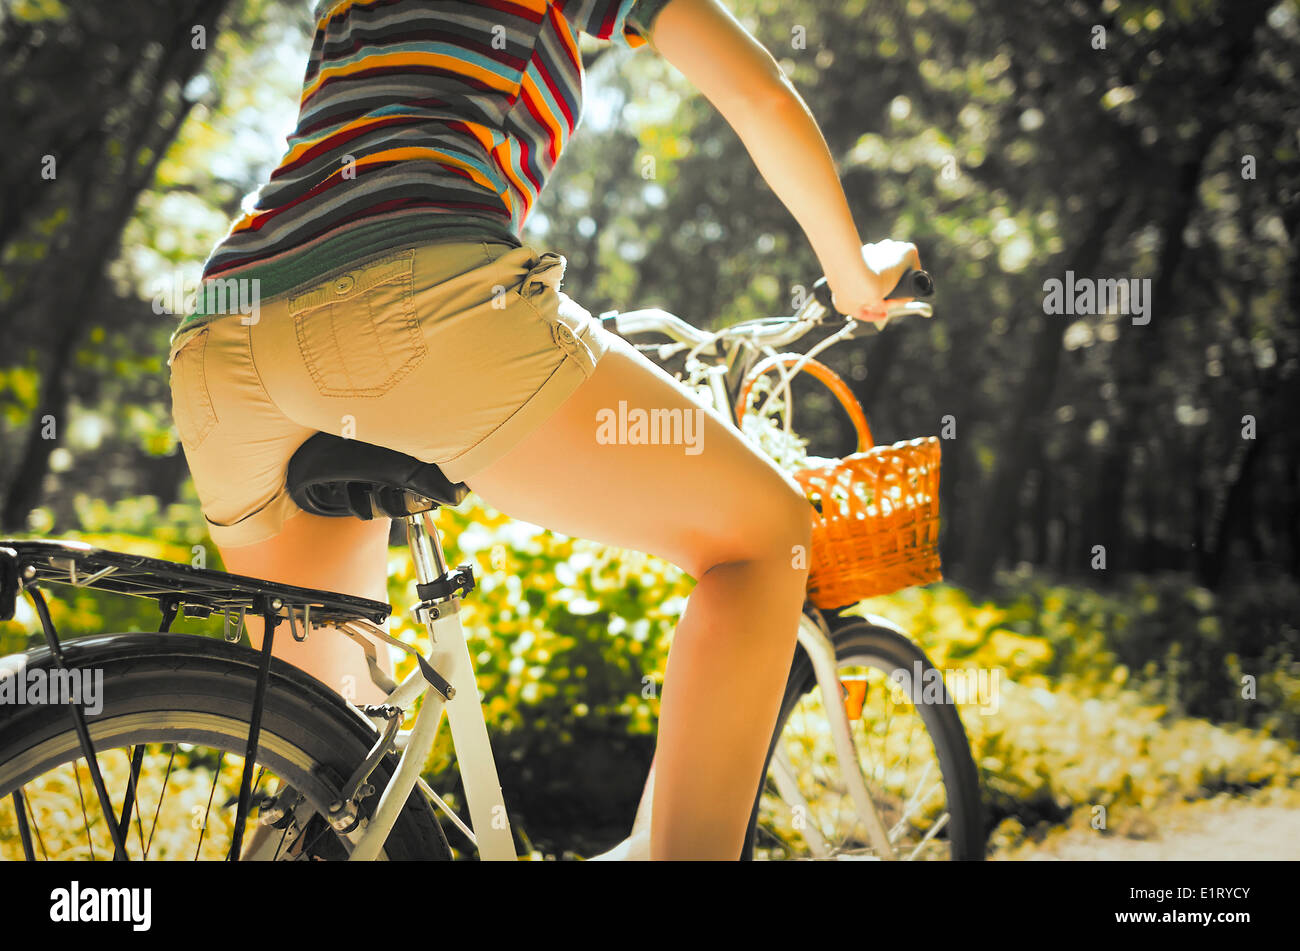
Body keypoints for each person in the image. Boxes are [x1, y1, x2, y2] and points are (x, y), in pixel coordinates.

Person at [168, 0, 921, 861]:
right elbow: (756, 92)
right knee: (766, 537)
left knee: (336, 780)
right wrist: (853, 271)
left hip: (222, 338)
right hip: (412, 299)